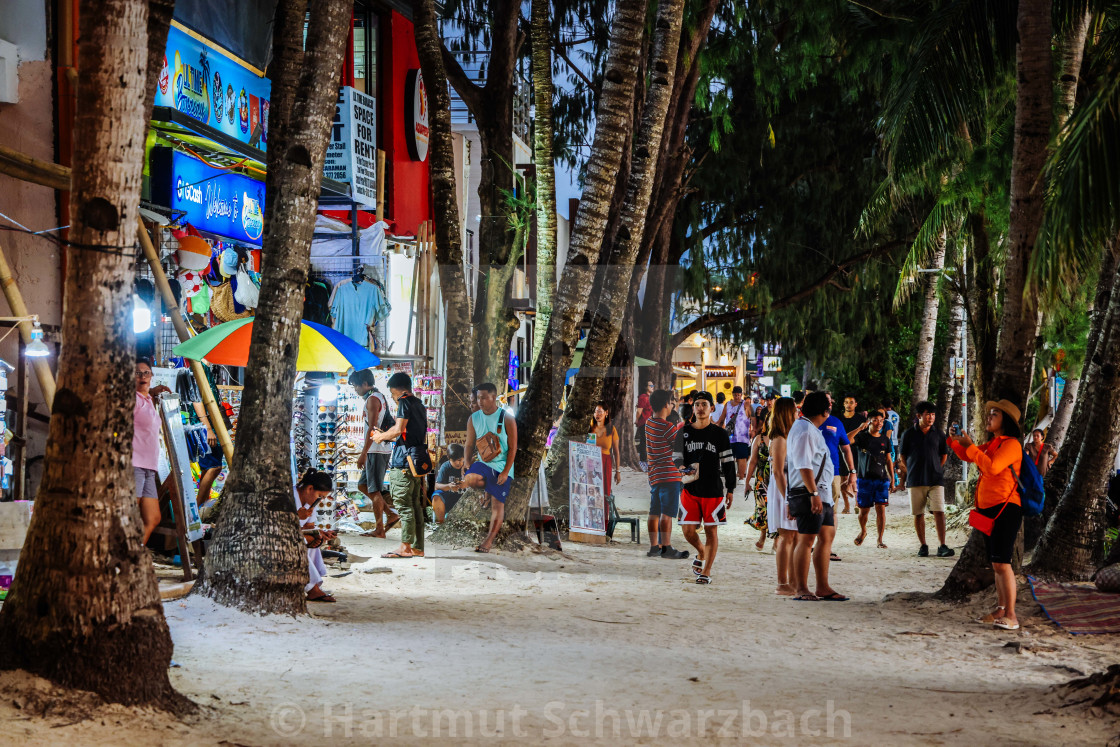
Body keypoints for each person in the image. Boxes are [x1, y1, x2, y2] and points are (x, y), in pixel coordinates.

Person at [949, 399, 1024, 630]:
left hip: (1006, 508)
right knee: (996, 564)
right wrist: (955, 441)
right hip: (991, 509)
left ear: (1006, 422)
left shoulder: (1011, 445)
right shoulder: (994, 443)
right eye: (989, 413)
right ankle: (1001, 609)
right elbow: (968, 455)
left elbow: (991, 467)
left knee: (1003, 563)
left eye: (995, 414)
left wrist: (970, 445)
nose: (989, 417)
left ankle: (1011, 615)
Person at [786, 391, 847, 601]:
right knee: (806, 539)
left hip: (821, 493)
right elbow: (802, 465)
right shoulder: (804, 430)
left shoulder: (809, 428)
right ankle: (802, 588)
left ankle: (823, 586)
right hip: (809, 493)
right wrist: (813, 494)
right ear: (825, 410)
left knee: (826, 535)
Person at [677, 391, 736, 585]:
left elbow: (728, 463)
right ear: (693, 407)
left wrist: (731, 489)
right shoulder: (684, 432)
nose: (700, 408)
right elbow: (677, 456)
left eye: (704, 404)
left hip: (712, 490)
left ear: (712, 408)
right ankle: (701, 551)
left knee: (712, 532)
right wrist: (681, 467)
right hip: (689, 489)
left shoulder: (720, 434)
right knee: (687, 531)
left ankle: (706, 572)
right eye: (697, 404)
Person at [372, 372, 429, 559]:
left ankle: (405, 547)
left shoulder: (404, 401)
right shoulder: (419, 404)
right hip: (415, 461)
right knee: (414, 505)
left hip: (403, 461)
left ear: (399, 390)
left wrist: (380, 437)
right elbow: (404, 430)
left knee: (404, 506)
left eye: (393, 394)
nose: (394, 399)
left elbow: (398, 430)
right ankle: (417, 547)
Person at [463, 382, 517, 553]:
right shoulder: (473, 418)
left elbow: (513, 447)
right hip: (483, 463)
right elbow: (469, 444)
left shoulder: (507, 417)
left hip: (501, 466)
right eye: (478, 398)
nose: (480, 401)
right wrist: (466, 462)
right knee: (470, 479)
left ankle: (488, 541)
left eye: (484, 397)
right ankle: (487, 490)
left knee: (497, 505)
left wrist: (506, 471)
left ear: (494, 397)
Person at [897, 400, 954, 558]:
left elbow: (943, 454)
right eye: (928, 414)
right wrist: (910, 470)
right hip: (915, 479)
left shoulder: (939, 434)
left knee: (939, 511)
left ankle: (942, 545)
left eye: (933, 414)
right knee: (918, 513)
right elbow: (902, 455)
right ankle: (923, 546)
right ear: (919, 416)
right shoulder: (908, 434)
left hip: (936, 479)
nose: (931, 417)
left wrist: (936, 467)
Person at [349, 368, 399, 538]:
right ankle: (391, 514)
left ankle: (379, 529)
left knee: (374, 489)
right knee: (363, 486)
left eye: (356, 386)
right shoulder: (377, 397)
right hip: (377, 449)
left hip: (376, 450)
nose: (355, 389)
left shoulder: (372, 400)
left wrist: (363, 453)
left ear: (364, 384)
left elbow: (372, 428)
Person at [644, 389, 689, 559]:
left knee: (654, 511)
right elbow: (679, 447)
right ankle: (667, 547)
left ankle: (654, 546)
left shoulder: (649, 424)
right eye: (671, 402)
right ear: (665, 404)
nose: (672, 405)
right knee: (667, 513)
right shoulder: (668, 427)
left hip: (655, 474)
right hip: (670, 474)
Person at [134, 358, 171, 545]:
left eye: (146, 372)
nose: (142, 376)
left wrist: (154, 394)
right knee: (131, 514)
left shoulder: (148, 399)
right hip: (134, 464)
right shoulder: (131, 399)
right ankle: (125, 560)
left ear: (151, 376)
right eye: (137, 373)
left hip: (150, 466)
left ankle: (133, 555)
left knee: (153, 518)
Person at [766, 397, 799, 595]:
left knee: (793, 537)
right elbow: (778, 472)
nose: (797, 414)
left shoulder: (787, 437)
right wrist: (788, 497)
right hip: (782, 490)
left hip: (788, 488)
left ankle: (793, 581)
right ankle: (782, 583)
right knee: (786, 537)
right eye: (794, 411)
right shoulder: (779, 439)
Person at [851, 410, 894, 549]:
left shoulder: (885, 439)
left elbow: (888, 460)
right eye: (875, 420)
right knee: (864, 511)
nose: (879, 423)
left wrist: (892, 479)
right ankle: (863, 531)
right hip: (864, 480)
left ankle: (880, 539)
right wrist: (859, 428)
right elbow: (846, 440)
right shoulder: (862, 437)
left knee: (881, 509)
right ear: (869, 421)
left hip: (882, 480)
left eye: (881, 421)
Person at [296, 469, 337, 602]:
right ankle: (313, 589)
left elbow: (309, 527)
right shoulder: (289, 497)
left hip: (297, 533)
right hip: (279, 535)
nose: (321, 500)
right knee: (299, 541)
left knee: (313, 542)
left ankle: (313, 585)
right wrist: (296, 516)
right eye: (320, 495)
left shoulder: (310, 504)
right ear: (309, 489)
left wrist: (319, 533)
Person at [820, 393, 857, 517]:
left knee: (831, 512)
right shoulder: (806, 422)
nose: (830, 404)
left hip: (833, 472)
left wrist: (852, 471)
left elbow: (846, 449)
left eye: (831, 401)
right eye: (826, 401)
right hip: (810, 471)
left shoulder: (836, 422)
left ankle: (828, 535)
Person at [744, 420, 773, 550]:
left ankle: (777, 540)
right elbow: (753, 461)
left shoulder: (783, 438)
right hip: (761, 479)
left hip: (777, 479)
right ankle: (762, 535)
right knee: (762, 508)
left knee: (776, 508)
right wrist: (747, 481)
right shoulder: (758, 439)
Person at [723, 386, 752, 495]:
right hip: (730, 437)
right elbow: (722, 419)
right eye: (735, 395)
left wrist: (753, 430)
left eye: (739, 395)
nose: (737, 397)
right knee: (729, 458)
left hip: (742, 436)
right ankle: (731, 477)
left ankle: (741, 477)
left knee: (741, 457)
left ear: (742, 394)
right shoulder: (728, 405)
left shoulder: (746, 404)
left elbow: (751, 418)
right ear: (732, 394)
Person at [588, 402, 621, 499]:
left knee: (605, 491)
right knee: (591, 491)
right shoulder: (590, 428)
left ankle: (605, 513)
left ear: (606, 413)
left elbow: (616, 452)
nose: (596, 414)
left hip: (605, 462)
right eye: (595, 412)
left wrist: (618, 471)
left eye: (599, 412)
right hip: (590, 462)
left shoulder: (612, 429)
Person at [433, 444, 465, 523]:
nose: (459, 463)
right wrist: (449, 486)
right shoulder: (445, 467)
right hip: (449, 499)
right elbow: (436, 486)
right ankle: (440, 523)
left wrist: (466, 483)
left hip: (464, 500)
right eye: (455, 461)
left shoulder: (467, 466)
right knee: (436, 495)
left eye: (461, 460)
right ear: (448, 458)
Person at [636, 380, 655, 472]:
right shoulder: (643, 397)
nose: (652, 386)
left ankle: (647, 461)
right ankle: (643, 461)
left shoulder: (649, 397)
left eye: (653, 385)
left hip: (649, 423)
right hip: (644, 422)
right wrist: (636, 420)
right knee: (644, 442)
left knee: (647, 442)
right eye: (650, 385)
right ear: (645, 387)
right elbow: (639, 411)